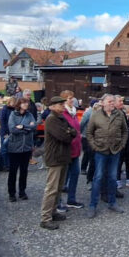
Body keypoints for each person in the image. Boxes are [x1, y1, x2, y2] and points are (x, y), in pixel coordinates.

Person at [85, 97, 128, 218]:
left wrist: (122, 145)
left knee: (113, 177)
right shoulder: (96, 115)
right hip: (101, 151)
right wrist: (94, 146)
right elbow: (89, 132)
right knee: (98, 177)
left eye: (113, 101)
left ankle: (112, 202)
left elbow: (125, 131)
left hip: (115, 151)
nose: (112, 103)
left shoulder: (119, 114)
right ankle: (92, 205)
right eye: (109, 101)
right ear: (103, 103)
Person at [39, 96, 76, 230]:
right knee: (51, 189)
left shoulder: (61, 118)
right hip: (54, 157)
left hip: (62, 156)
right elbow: (64, 136)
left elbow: (73, 131)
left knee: (58, 188)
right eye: (60, 105)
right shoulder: (52, 119)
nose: (62, 107)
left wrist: (69, 132)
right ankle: (45, 218)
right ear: (53, 106)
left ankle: (53, 212)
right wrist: (69, 132)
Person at [6, 98, 37, 202]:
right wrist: (28, 129)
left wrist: (23, 127)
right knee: (13, 171)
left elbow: (34, 126)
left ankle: (22, 191)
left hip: (27, 147)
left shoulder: (30, 115)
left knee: (24, 171)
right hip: (14, 147)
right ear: (19, 104)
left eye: (27, 103)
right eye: (24, 103)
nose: (26, 104)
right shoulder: (13, 115)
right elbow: (12, 129)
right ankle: (11, 193)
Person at [60, 95, 85, 210]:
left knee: (75, 174)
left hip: (75, 149)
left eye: (72, 98)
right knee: (61, 177)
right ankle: (58, 202)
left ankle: (71, 199)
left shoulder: (74, 113)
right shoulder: (62, 114)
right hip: (65, 150)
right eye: (69, 98)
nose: (72, 100)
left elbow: (77, 130)